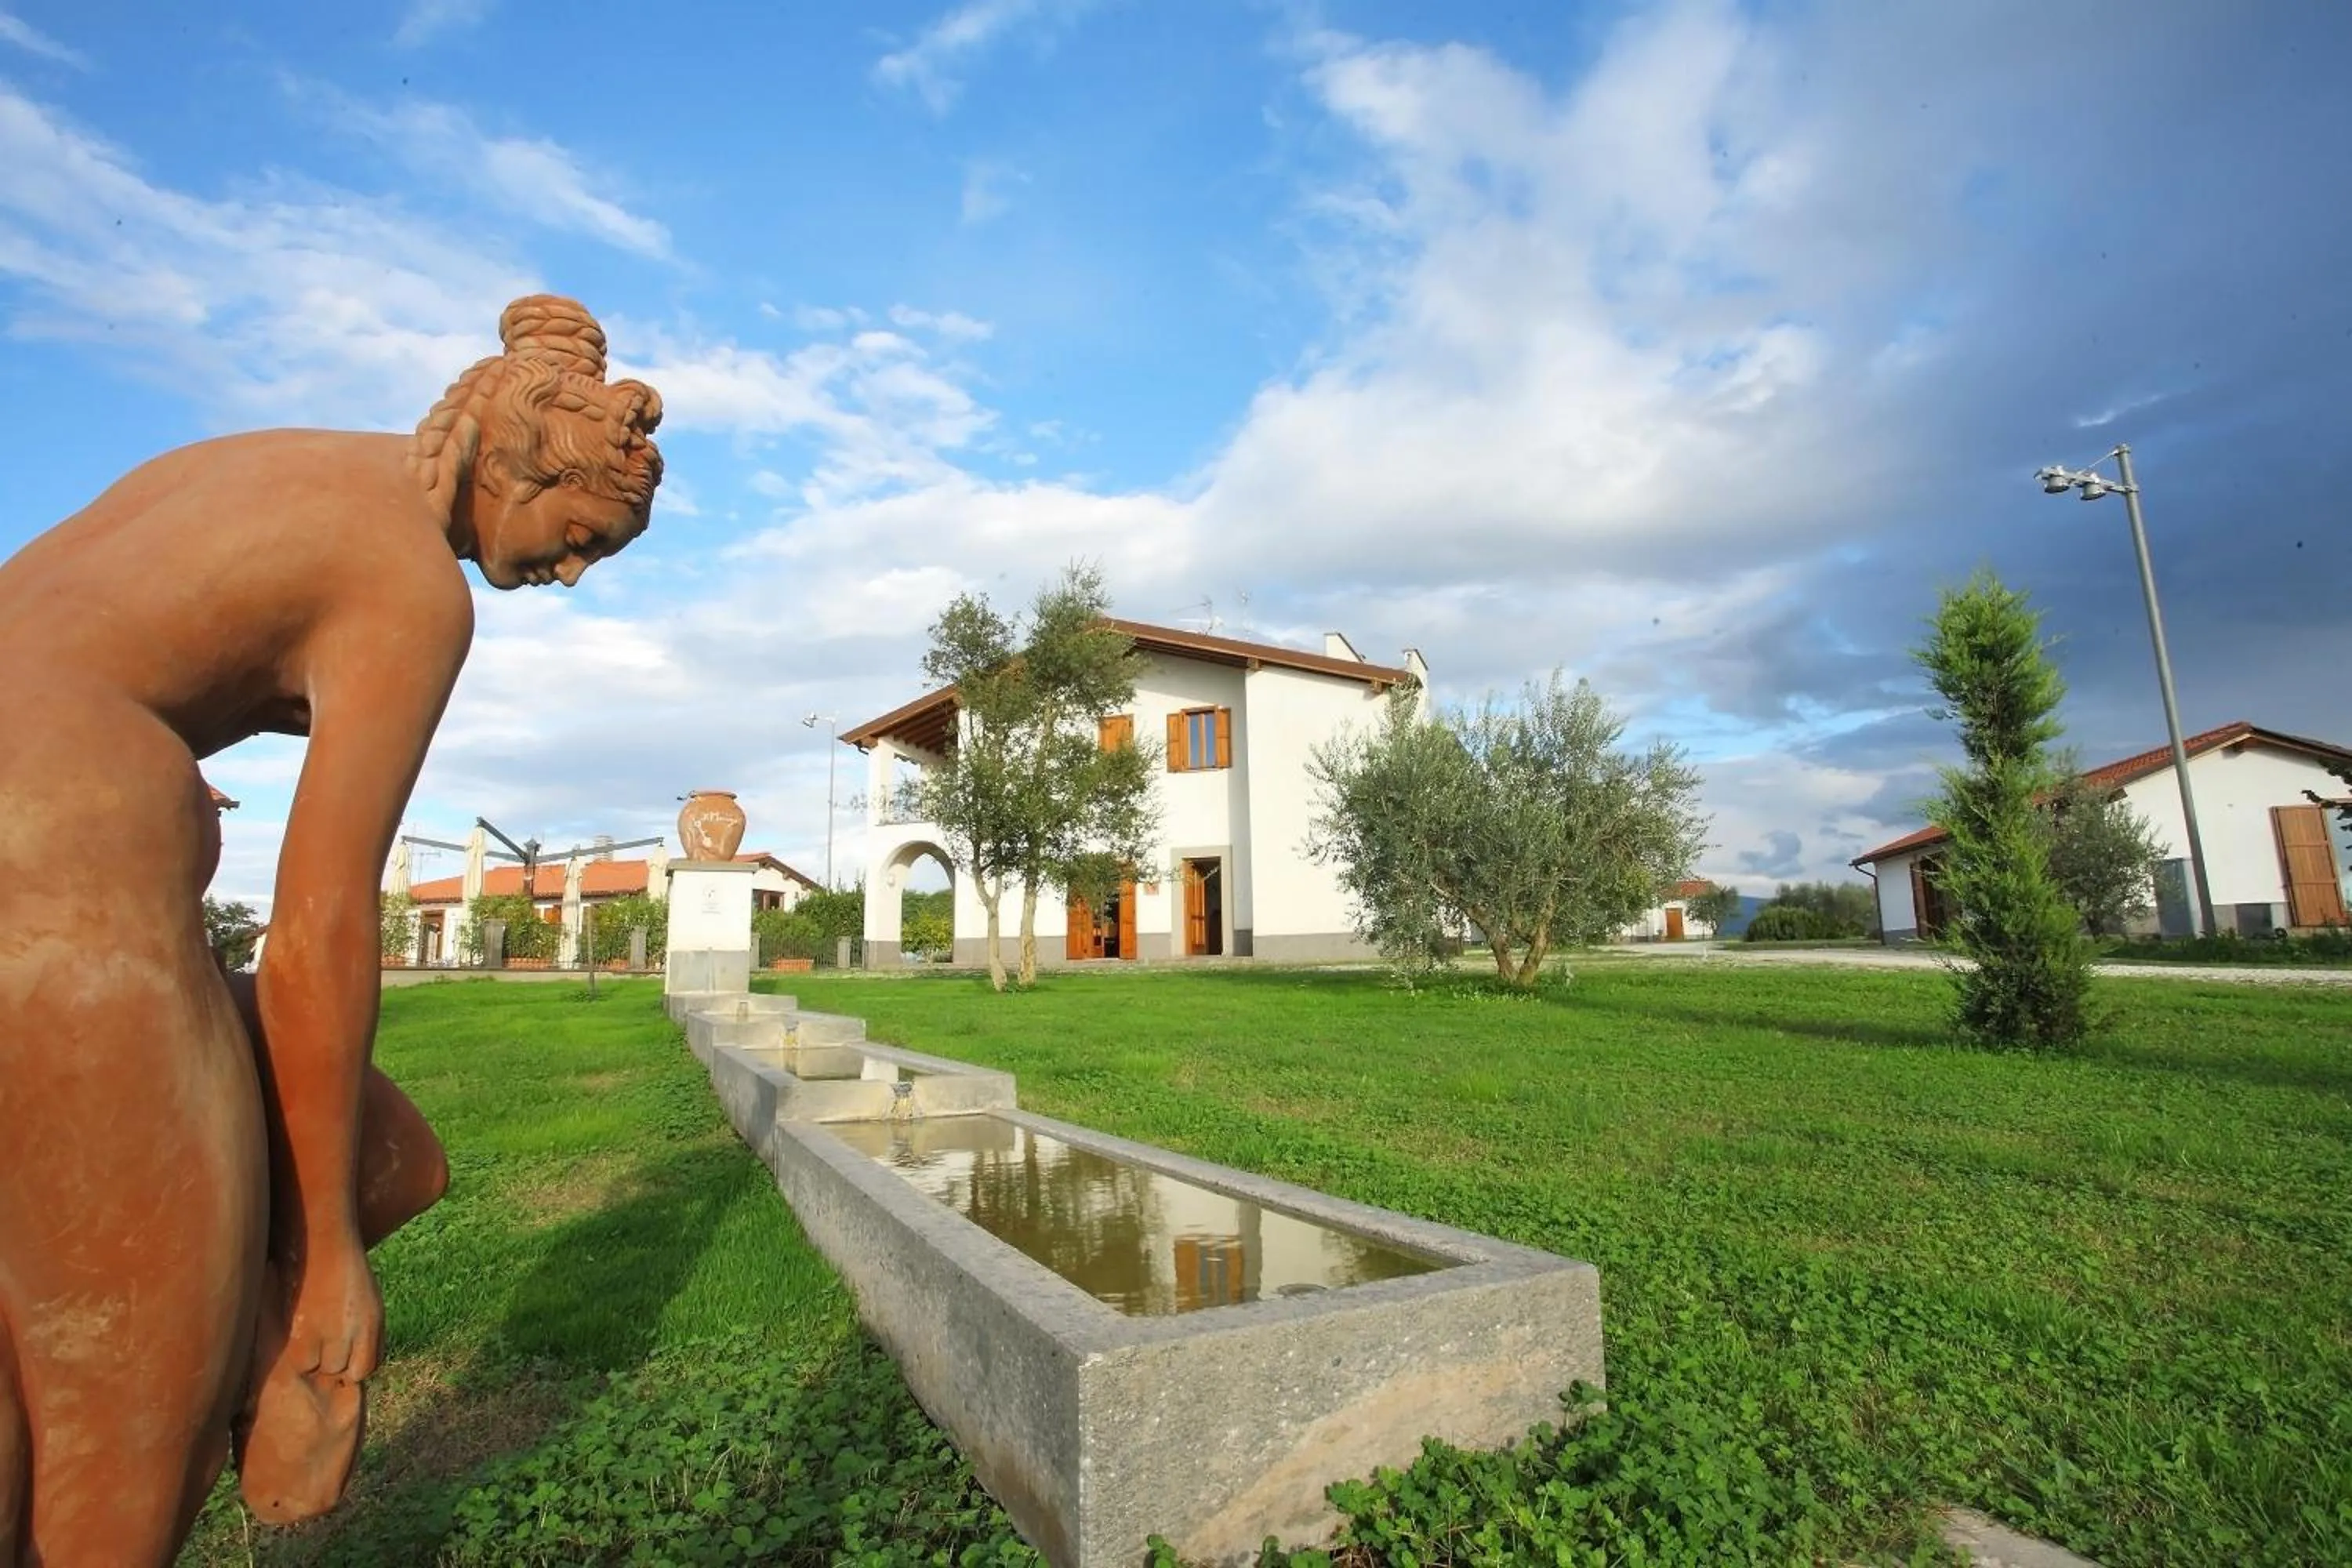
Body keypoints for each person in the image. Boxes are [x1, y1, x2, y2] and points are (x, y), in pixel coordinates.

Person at [0, 296, 663, 1566]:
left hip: (60, 834)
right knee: (132, 1402)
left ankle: (245, 1328)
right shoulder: (410, 581)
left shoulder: (268, 466)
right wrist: (329, 1264)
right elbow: (318, 927)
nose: (570, 575)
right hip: (55, 854)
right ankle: (243, 1347)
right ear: (518, 465)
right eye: (581, 538)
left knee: (396, 1159)